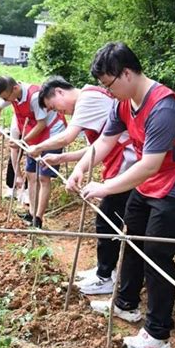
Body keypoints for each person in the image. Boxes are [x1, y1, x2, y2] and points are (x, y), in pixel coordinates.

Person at [67, 42, 175, 348]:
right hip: (155, 178)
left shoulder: (164, 107)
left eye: (109, 84)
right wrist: (81, 168)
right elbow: (104, 142)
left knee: (157, 252)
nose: (108, 91)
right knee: (131, 236)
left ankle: (158, 334)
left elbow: (149, 164)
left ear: (127, 73)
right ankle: (125, 303)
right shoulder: (122, 103)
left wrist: (106, 187)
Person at [27, 76, 136, 295]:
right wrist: (61, 159)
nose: (59, 113)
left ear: (59, 92)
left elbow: (66, 137)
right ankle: (104, 271)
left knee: (108, 218)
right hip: (120, 161)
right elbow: (94, 149)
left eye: (53, 107)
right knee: (110, 218)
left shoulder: (87, 99)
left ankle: (106, 277)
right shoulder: (88, 102)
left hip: (129, 162)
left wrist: (37, 147)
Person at [0, 76, 66, 228]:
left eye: (6, 97)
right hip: (33, 135)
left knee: (43, 177)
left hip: (52, 132)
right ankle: (31, 213)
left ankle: (38, 218)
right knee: (31, 175)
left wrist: (22, 141)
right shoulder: (12, 95)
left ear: (15, 89)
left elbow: (42, 124)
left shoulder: (34, 96)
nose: (7, 101)